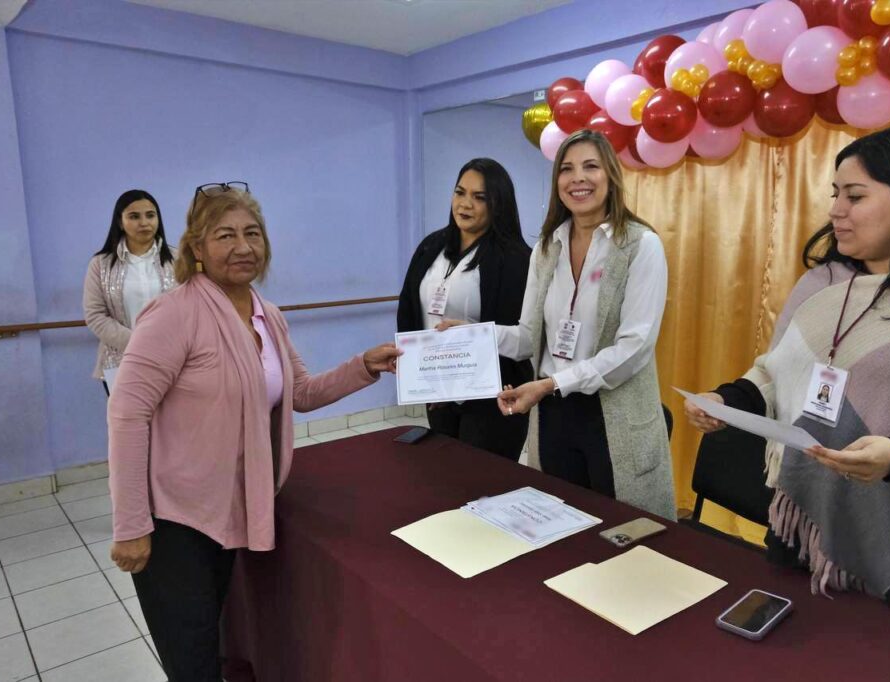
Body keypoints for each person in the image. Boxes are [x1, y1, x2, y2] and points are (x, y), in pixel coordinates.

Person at [684, 125, 890, 629]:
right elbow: (776, 373)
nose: (836, 210)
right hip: (805, 526)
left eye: (856, 196)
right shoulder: (824, 285)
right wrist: (726, 399)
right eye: (835, 195)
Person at [107, 182, 402, 680]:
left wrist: (364, 366)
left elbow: (301, 392)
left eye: (252, 233)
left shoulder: (268, 316)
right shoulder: (174, 314)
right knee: (192, 659)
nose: (243, 247)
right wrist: (131, 524)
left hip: (232, 505)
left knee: (213, 643)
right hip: (176, 519)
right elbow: (127, 414)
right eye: (225, 236)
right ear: (196, 248)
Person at [445, 130, 675, 520]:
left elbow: (633, 350)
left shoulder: (640, 245)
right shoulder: (548, 246)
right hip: (553, 415)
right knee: (558, 529)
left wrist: (553, 383)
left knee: (621, 534)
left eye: (590, 166)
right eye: (566, 169)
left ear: (611, 176)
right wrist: (473, 335)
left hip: (611, 416)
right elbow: (529, 337)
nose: (577, 178)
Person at [397, 158, 532, 459]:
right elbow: (409, 307)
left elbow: (523, 335)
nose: (465, 204)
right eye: (460, 193)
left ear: (498, 204)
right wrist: (419, 376)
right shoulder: (431, 245)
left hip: (492, 395)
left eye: (479, 197)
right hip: (439, 388)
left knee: (483, 484)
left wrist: (471, 342)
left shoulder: (515, 258)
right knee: (444, 476)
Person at [83, 189, 177, 393]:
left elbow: (191, 311)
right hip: (121, 362)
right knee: (128, 424)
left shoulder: (178, 260)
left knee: (174, 424)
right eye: (134, 216)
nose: (144, 222)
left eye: (150, 215)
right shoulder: (100, 264)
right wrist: (139, 344)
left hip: (173, 360)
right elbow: (95, 315)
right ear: (120, 222)